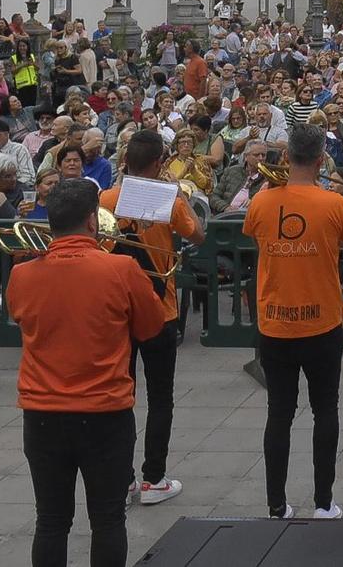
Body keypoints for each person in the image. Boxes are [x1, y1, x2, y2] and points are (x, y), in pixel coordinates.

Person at [9, 178, 165, 567]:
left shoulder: (22, 274)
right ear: (93, 222)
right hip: (104, 411)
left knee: (50, 520)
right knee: (108, 519)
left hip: (42, 412)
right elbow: (151, 327)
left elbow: (20, 318)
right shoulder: (122, 267)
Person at [246, 124, 343, 520]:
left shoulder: (261, 202)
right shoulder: (335, 204)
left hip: (274, 323)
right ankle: (323, 502)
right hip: (322, 322)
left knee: (277, 412)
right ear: (320, 160)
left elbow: (255, 238)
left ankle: (275, 505)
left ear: (284, 158)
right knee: (325, 410)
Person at [99, 128, 201, 506]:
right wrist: (176, 194)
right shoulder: (167, 198)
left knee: (121, 395)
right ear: (159, 163)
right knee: (161, 397)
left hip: (118, 310)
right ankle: (153, 478)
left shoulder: (106, 198)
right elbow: (199, 234)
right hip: (160, 307)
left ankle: (123, 479)